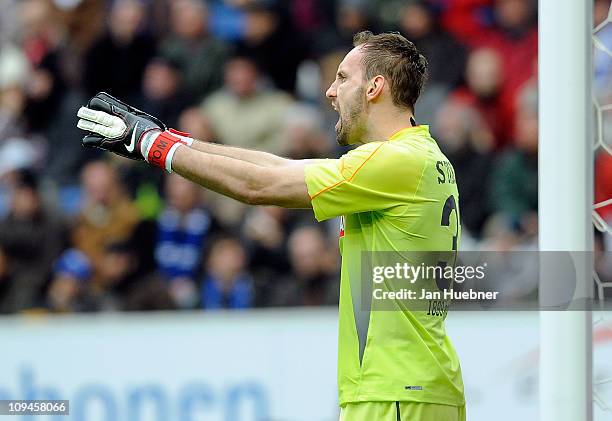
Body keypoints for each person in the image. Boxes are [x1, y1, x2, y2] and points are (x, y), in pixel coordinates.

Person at [76, 31, 465, 421]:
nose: (331, 92)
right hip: (412, 385)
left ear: (375, 87)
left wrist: (151, 147)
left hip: (396, 390)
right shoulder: (413, 157)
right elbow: (276, 166)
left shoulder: (395, 161)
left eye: (343, 78)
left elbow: (258, 186)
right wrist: (172, 138)